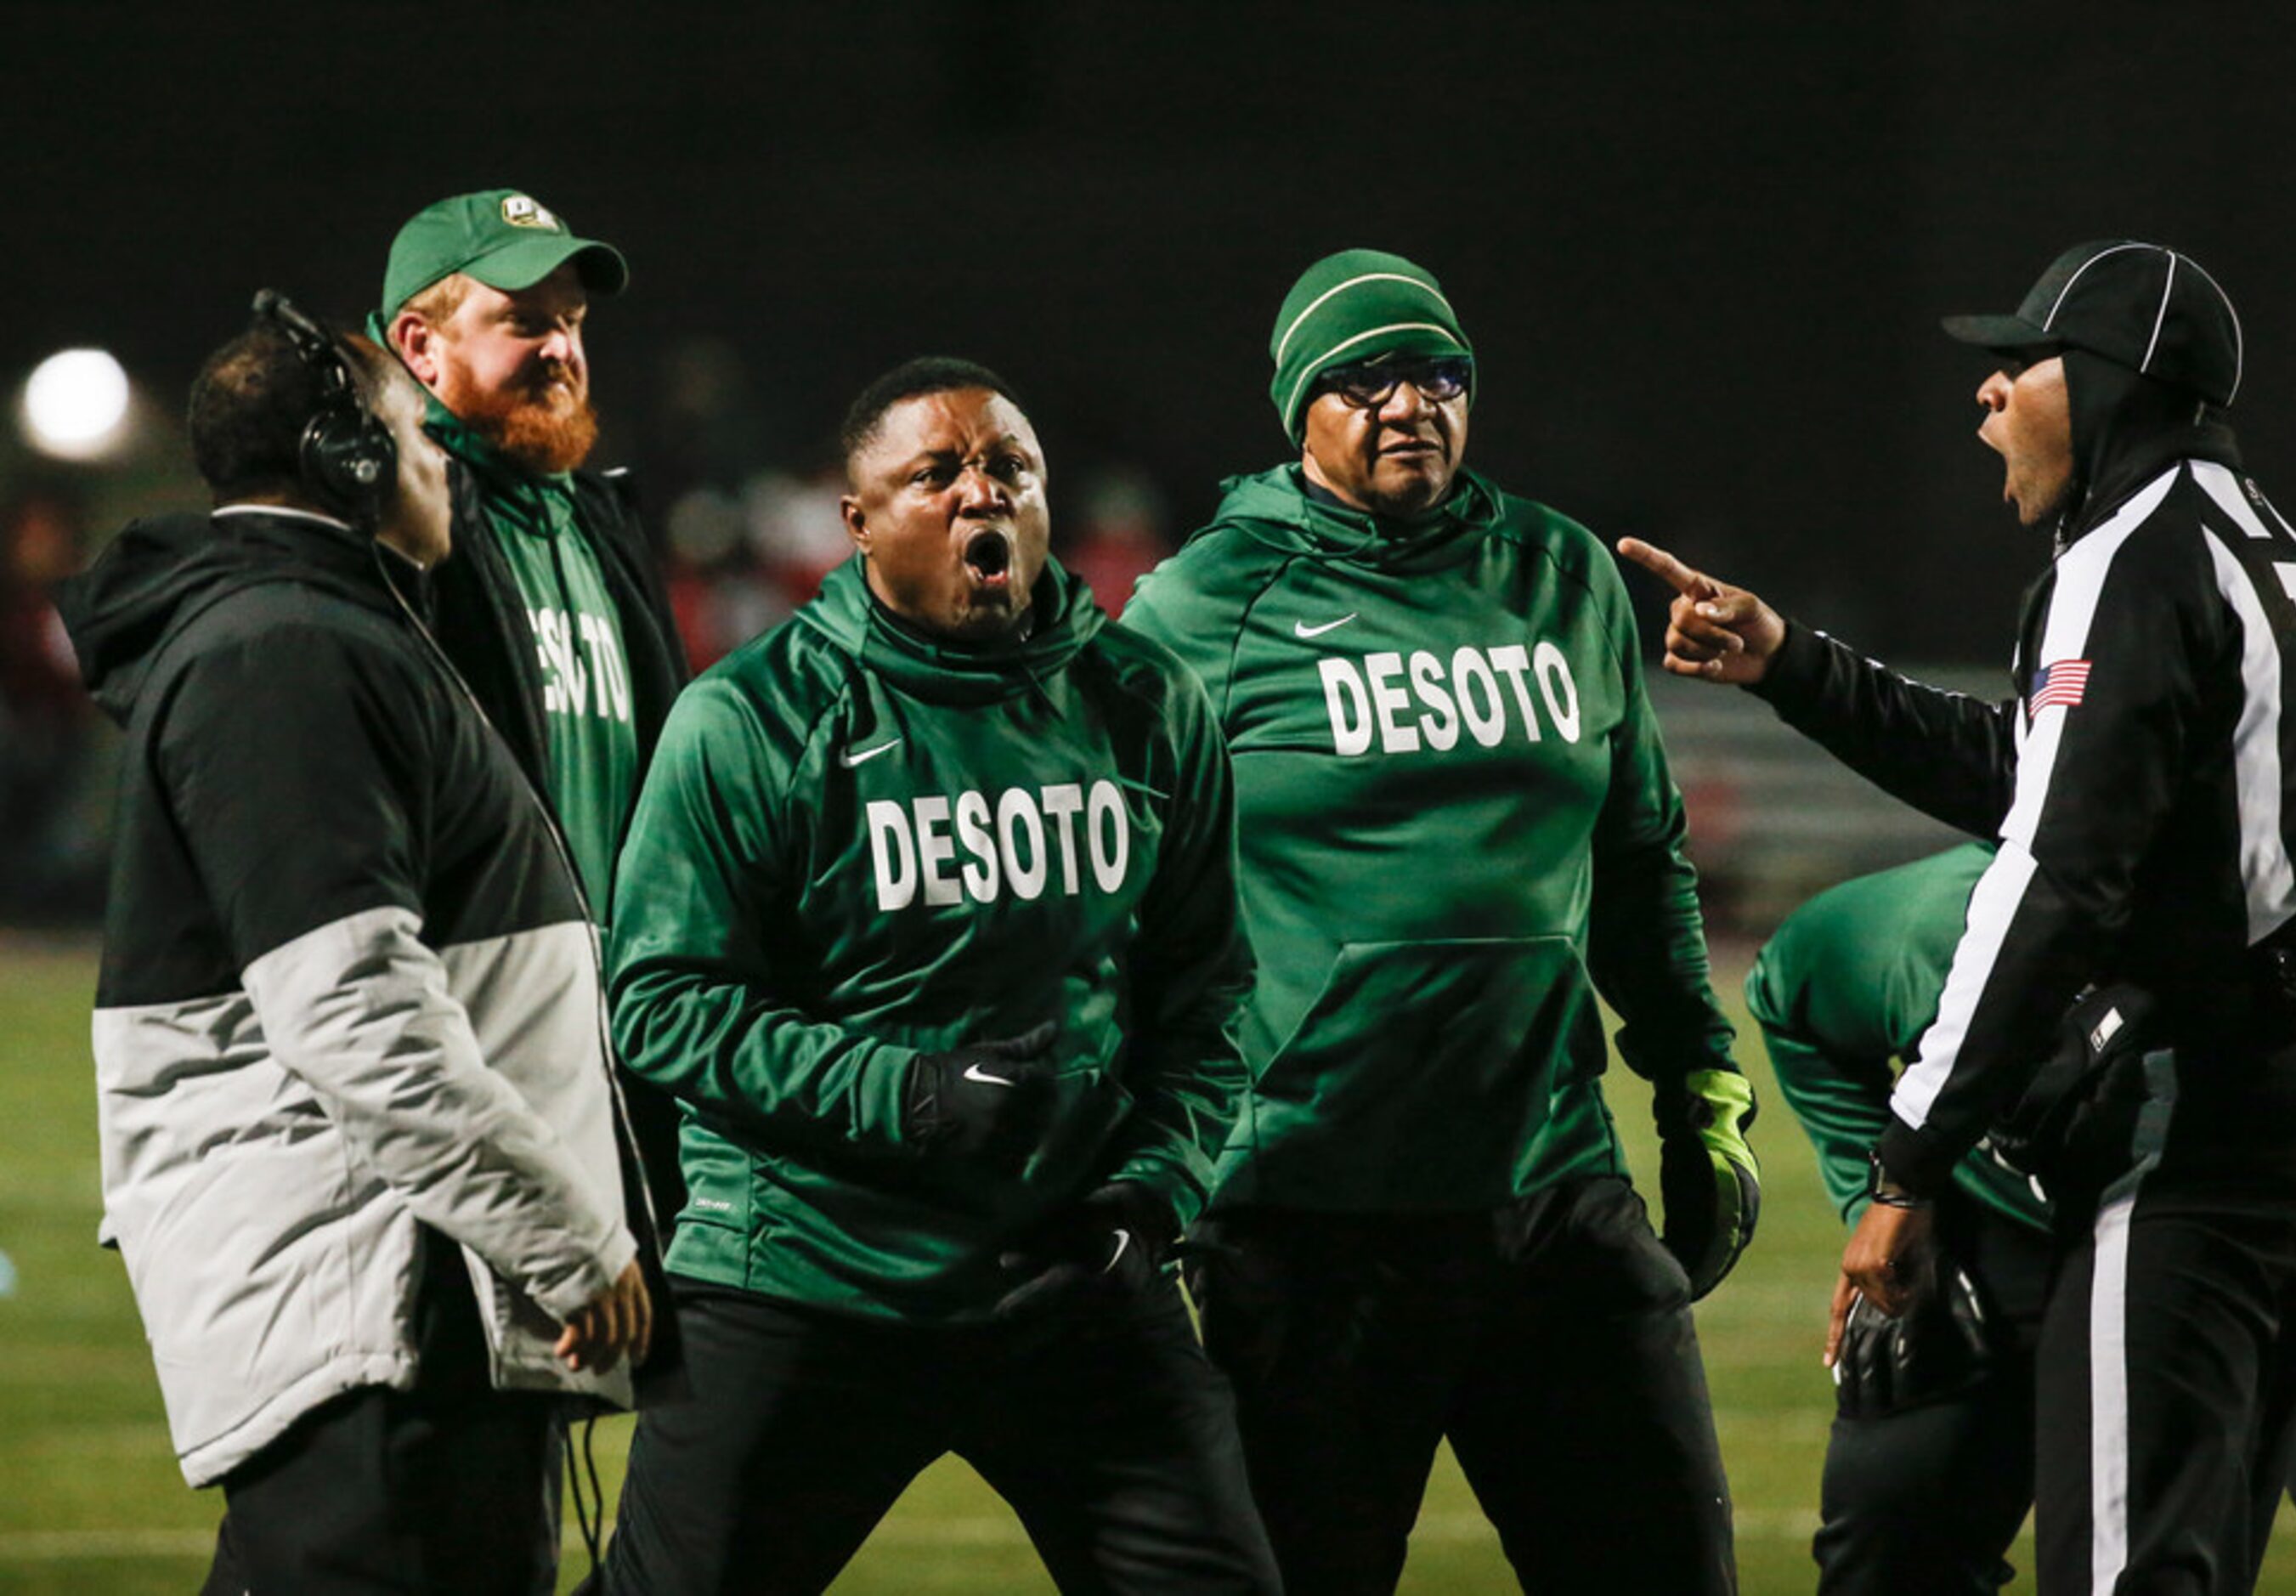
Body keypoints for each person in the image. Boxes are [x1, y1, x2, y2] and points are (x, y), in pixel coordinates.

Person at [1626, 239, 2296, 1593]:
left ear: (2108, 378)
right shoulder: (2259, 544)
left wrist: (1907, 1165)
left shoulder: (2131, 550)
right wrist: (1794, 667)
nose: (1986, 397)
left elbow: (2056, 874)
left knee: (2118, 1568)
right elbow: (2043, 775)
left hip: (2198, 1110)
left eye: (2017, 362)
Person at [1122, 250, 1752, 1593]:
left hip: (1552, 1191)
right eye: (1366, 377)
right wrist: (1143, 1151)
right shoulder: (1205, 603)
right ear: (1300, 408)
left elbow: (1641, 855)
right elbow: (1119, 903)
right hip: (1307, 1213)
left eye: (1438, 372)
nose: (1410, 400)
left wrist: (1697, 1078)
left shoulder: (1561, 574)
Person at [597, 358, 1280, 1593]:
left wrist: (1154, 1190)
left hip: (1069, 1274)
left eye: (1008, 468)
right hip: (812, 1271)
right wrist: (902, 1089)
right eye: (937, 473)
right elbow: (659, 1002)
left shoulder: (1141, 702)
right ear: (855, 523)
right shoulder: (751, 716)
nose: (982, 495)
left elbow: (1208, 991)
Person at [55, 296, 653, 1593]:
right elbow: (352, 1009)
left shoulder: (313, 628)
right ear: (354, 459)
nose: (440, 457)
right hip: (381, 1300)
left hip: (392, 1284)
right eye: (410, 434)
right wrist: (564, 1238)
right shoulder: (288, 649)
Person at [1748, 843, 2296, 1594]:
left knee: (2162, 1548)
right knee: (1890, 1533)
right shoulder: (1922, 935)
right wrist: (1887, 1199)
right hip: (1996, 1225)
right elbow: (1789, 999)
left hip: (2207, 1249)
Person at [378, 188, 691, 1228]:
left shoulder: (596, 523)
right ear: (419, 346)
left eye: (572, 322)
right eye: (524, 321)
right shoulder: (388, 547)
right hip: (470, 1050)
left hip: (615, 1046)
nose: (561, 347)